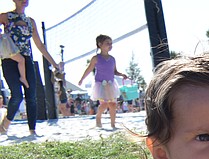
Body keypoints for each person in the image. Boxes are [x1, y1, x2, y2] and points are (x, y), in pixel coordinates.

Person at [0, 0, 63, 136]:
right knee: (16, 95)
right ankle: (6, 123)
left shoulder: (30, 21)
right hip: (9, 59)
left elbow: (39, 45)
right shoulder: (5, 16)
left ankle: (32, 130)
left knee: (31, 96)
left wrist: (53, 63)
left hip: (27, 60)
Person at [78, 34, 128, 129]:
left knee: (113, 104)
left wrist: (122, 75)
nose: (110, 45)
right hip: (101, 84)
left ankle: (113, 124)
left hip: (111, 84)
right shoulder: (96, 58)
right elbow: (89, 69)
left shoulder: (112, 59)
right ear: (100, 44)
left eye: (111, 43)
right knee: (104, 104)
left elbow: (114, 71)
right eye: (107, 43)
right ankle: (98, 116)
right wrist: (82, 79)